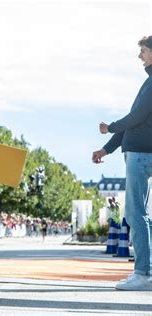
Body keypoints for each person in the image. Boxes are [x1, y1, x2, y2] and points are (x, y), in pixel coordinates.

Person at [92, 35, 152, 291]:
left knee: (135, 214)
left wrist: (109, 128)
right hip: (140, 152)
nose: (139, 56)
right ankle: (144, 271)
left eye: (143, 50)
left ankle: (143, 273)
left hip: (141, 155)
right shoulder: (148, 83)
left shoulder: (151, 84)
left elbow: (135, 118)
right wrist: (107, 149)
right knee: (140, 214)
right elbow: (135, 120)